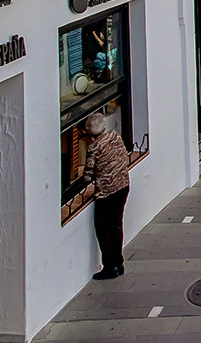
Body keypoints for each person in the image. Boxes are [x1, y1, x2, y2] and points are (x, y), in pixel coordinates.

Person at [85, 112, 131, 279]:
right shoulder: (115, 136)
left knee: (103, 229)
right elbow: (125, 154)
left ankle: (110, 266)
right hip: (123, 185)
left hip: (107, 192)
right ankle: (119, 262)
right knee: (117, 224)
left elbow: (88, 175)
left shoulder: (94, 147)